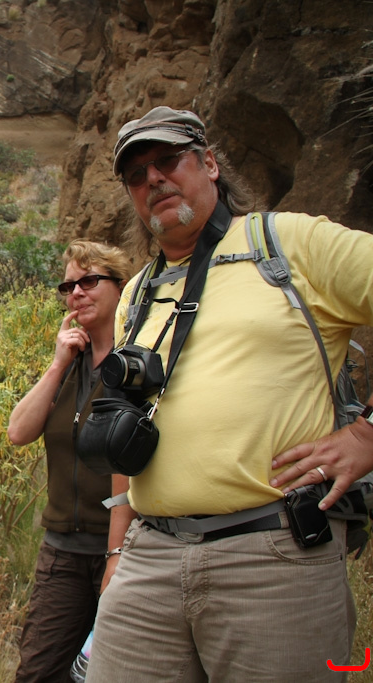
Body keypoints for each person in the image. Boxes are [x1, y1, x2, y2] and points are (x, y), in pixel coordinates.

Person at [85, 105, 373, 682]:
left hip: (273, 556)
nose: (153, 179)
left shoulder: (288, 243)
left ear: (210, 164)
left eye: (168, 160)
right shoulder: (137, 293)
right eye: (136, 175)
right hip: (150, 556)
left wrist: (367, 435)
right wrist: (118, 553)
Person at [8, 239, 136, 682]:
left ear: (121, 287)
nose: (76, 292)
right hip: (63, 552)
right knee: (39, 672)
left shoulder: (138, 363)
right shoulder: (72, 367)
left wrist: (117, 553)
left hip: (128, 551)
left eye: (89, 281)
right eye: (68, 286)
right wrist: (58, 363)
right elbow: (18, 432)